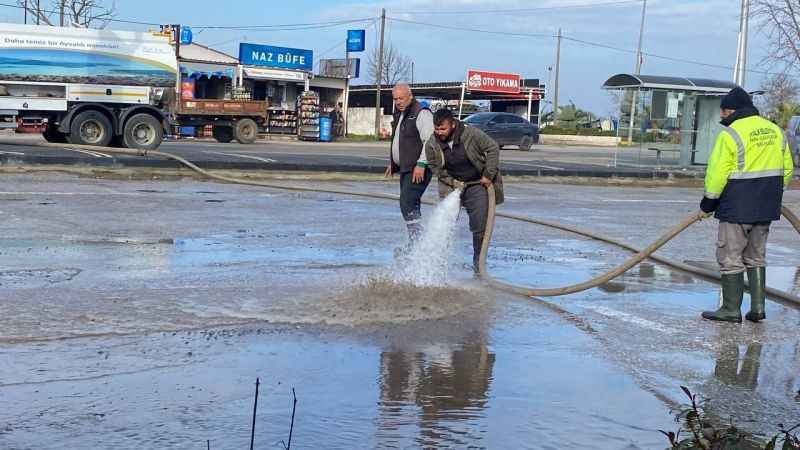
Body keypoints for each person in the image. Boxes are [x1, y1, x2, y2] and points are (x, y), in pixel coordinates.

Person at [699, 87, 794, 323]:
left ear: (731, 110)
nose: (721, 116)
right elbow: (787, 168)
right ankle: (758, 308)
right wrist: (770, 194)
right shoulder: (775, 131)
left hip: (737, 207)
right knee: (756, 256)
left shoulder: (731, 134)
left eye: (723, 111)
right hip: (766, 206)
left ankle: (731, 309)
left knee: (730, 256)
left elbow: (718, 172)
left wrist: (709, 202)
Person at [425, 108, 504, 273]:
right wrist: (451, 181)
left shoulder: (471, 134)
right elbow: (434, 166)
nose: (439, 132)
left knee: (480, 224)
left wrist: (488, 175)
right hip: (452, 185)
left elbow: (493, 148)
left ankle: (478, 263)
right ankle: (439, 262)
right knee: (445, 223)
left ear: (452, 124)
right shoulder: (432, 143)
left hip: (477, 183)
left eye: (443, 129)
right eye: (436, 129)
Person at [385, 84, 434, 243]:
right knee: (411, 203)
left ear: (410, 96)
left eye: (401, 98)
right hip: (406, 168)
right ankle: (416, 241)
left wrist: (422, 164)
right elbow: (400, 140)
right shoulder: (401, 114)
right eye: (395, 99)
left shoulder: (421, 113)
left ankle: (417, 239)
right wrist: (393, 162)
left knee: (407, 202)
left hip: (418, 168)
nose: (398, 101)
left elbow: (430, 140)